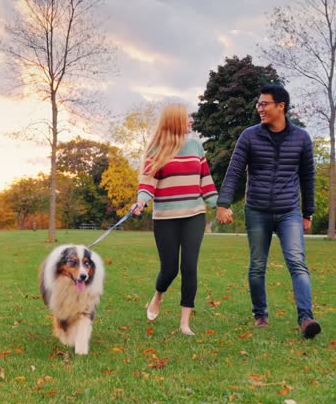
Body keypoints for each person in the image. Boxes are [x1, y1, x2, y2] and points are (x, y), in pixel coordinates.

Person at [216, 84, 321, 339]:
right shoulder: (249, 136)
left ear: (280, 106)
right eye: (258, 104)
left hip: (289, 212)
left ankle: (306, 319)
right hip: (257, 211)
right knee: (257, 266)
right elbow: (234, 171)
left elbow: (308, 178)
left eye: (264, 104)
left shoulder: (302, 138)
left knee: (297, 263)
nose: (259, 108)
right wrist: (223, 203)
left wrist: (308, 212)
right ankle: (260, 314)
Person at [131, 104, 218, 335]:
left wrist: (219, 206)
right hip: (165, 218)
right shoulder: (156, 149)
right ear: (175, 121)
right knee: (169, 269)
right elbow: (148, 183)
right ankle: (158, 295)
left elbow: (205, 181)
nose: (191, 120)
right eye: (187, 117)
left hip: (194, 215)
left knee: (189, 266)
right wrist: (141, 202)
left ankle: (184, 323)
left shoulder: (196, 146)